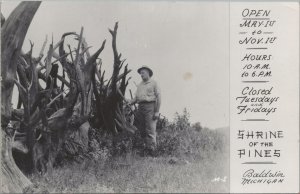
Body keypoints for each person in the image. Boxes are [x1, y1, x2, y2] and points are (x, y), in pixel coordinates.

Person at [128, 66, 161, 156]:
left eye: (143, 73)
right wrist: (130, 102)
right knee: (142, 129)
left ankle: (153, 152)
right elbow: (136, 98)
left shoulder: (154, 83)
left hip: (150, 107)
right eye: (140, 73)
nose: (141, 75)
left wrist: (157, 111)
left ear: (148, 73)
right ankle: (146, 150)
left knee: (150, 129)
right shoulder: (140, 85)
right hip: (140, 108)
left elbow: (159, 97)